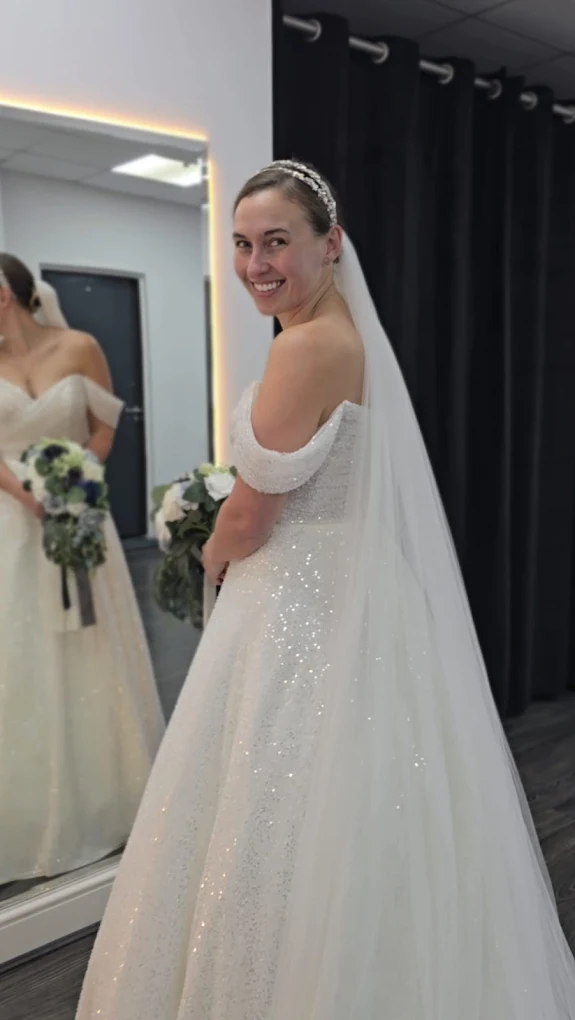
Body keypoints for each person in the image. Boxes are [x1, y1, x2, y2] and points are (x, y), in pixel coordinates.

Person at [76, 162, 575, 1019]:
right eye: (241, 244)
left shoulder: (306, 345)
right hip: (357, 594)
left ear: (328, 243)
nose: (255, 263)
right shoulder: (342, 333)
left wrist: (208, 551)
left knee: (270, 815)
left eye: (277, 242)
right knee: (364, 808)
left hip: (294, 604)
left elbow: (251, 517)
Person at [0, 254, 165, 886]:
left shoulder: (80, 345)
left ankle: (105, 793)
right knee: (23, 656)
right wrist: (27, 498)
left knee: (90, 649)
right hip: (15, 525)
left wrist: (80, 484)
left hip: (78, 517)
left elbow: (103, 426)